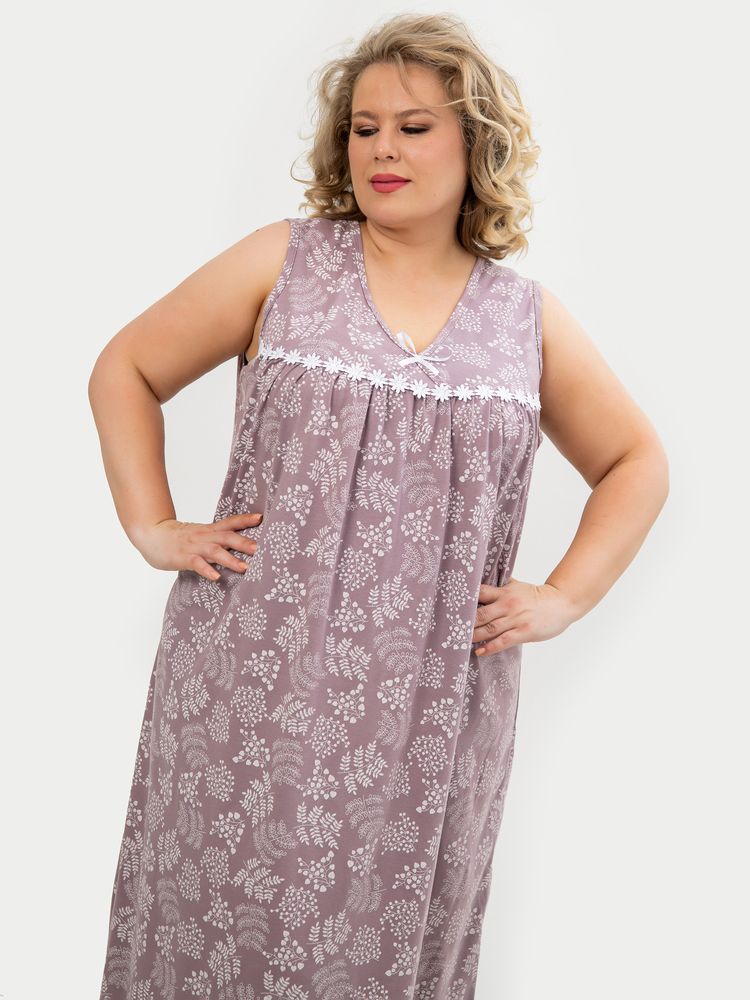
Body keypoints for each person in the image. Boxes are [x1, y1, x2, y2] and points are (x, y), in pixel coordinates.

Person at [90, 13, 669, 999]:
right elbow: (127, 369)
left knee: (379, 939)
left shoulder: (523, 320)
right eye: (364, 129)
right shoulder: (284, 263)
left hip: (433, 707)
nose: (382, 149)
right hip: (251, 683)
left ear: (475, 143)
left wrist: (566, 597)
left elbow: (635, 460)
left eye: (413, 126)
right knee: (219, 920)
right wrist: (153, 526)